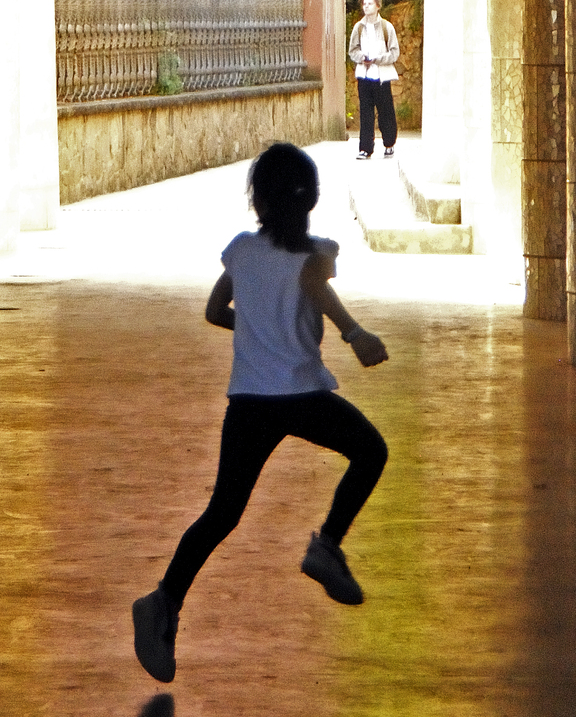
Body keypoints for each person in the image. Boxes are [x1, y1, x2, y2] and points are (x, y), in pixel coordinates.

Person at [132, 142, 389, 684]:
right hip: (300, 396)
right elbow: (316, 290)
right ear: (310, 198)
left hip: (249, 401)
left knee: (222, 513)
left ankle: (162, 601)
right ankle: (327, 547)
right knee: (369, 451)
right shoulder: (315, 255)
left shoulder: (242, 252)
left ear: (259, 200)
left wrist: (256, 334)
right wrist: (354, 332)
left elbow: (214, 311)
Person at [348, 0, 400, 159]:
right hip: (364, 75)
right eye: (364, 4)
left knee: (385, 111)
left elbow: (394, 52)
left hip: (381, 76)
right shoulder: (359, 27)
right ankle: (365, 148)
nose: (366, 6)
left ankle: (389, 143)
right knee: (365, 112)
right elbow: (352, 50)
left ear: (378, 6)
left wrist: (378, 59)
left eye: (370, 3)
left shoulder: (387, 27)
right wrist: (362, 58)